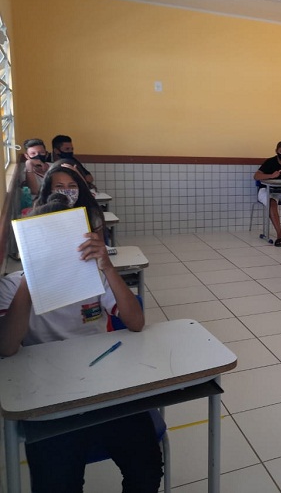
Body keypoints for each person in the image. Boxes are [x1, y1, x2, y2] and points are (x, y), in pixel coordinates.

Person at [0, 199, 163, 493]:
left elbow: (136, 322)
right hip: (48, 399)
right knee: (58, 484)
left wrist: (107, 268)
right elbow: (8, 347)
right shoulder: (12, 287)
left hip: (103, 388)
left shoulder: (93, 276)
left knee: (147, 468)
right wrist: (31, 276)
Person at [36, 160, 106, 238]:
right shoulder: (39, 213)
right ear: (49, 189)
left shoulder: (91, 213)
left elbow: (101, 242)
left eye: (72, 186)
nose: (66, 191)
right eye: (59, 186)